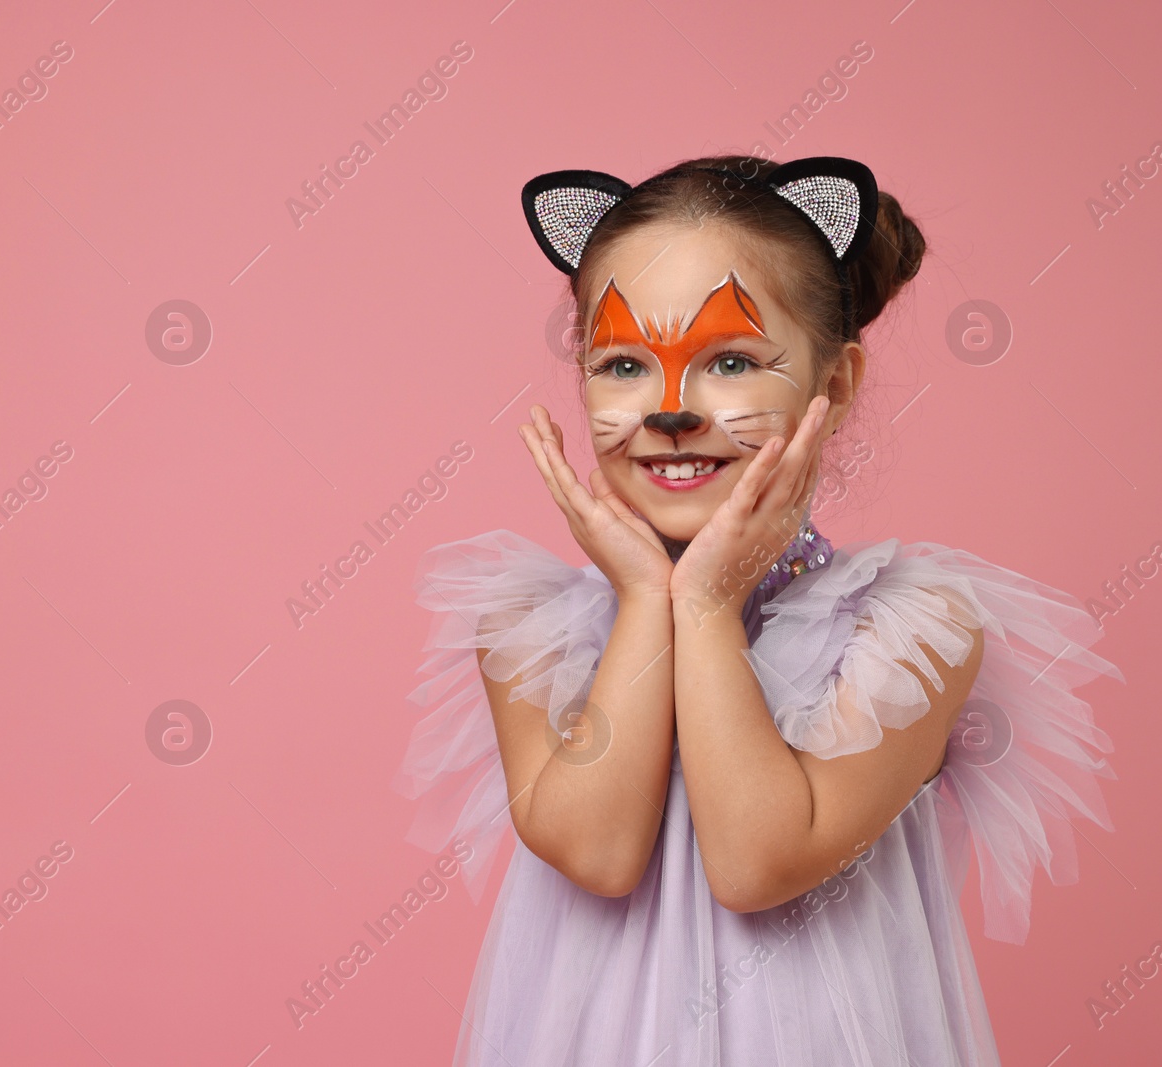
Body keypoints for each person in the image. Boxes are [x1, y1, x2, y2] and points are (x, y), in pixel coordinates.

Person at [392, 155, 1122, 1065]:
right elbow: (597, 849)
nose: (667, 411)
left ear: (838, 385)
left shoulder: (908, 632)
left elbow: (756, 861)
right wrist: (644, 603)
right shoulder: (528, 633)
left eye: (730, 361)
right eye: (621, 363)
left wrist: (704, 600)